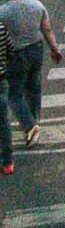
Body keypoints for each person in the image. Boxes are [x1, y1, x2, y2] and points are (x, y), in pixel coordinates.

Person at [0, 0, 64, 157]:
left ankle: (29, 126)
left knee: (14, 94)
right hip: (36, 50)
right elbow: (47, 29)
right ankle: (33, 124)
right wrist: (55, 49)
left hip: (15, 54)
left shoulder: (3, 12)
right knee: (34, 89)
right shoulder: (37, 5)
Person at [0, 12, 12, 174]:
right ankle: (8, 162)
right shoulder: (1, 28)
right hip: (1, 78)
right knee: (3, 121)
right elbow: (11, 49)